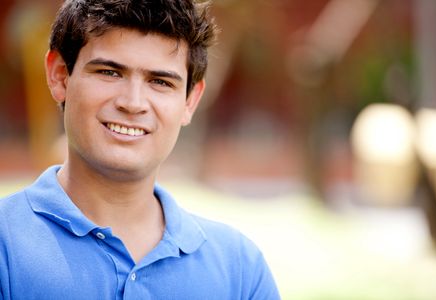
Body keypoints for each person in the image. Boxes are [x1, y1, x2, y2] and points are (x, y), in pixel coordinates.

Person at [0, 0, 280, 299]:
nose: (132, 103)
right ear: (59, 75)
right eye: (109, 72)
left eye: (159, 81)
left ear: (190, 101)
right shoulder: (6, 245)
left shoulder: (239, 270)